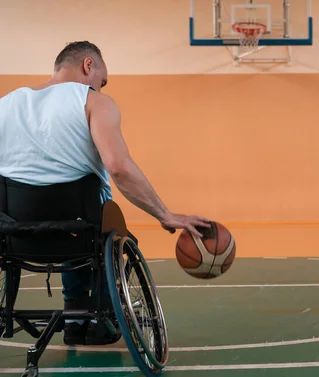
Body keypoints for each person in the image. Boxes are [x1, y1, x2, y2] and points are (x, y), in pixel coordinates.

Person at [0, 41, 211, 345]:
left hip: (16, 235)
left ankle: (74, 316)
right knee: (103, 225)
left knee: (80, 221)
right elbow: (119, 168)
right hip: (80, 231)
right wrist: (165, 214)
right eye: (102, 80)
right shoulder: (94, 103)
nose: (100, 87)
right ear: (89, 65)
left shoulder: (7, 104)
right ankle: (92, 318)